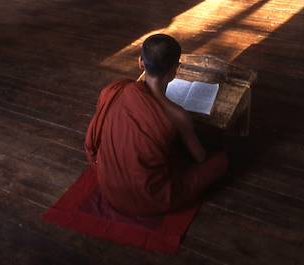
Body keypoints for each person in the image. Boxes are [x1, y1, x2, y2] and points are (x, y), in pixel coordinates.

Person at [85, 34, 228, 216]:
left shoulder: (116, 90)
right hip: (150, 198)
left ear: (140, 62)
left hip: (109, 188)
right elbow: (200, 157)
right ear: (175, 69)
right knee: (220, 162)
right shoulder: (178, 115)